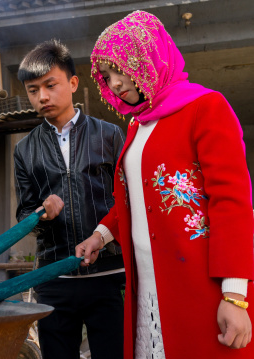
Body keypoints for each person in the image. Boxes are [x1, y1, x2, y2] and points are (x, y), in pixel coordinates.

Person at [76, 10, 254, 359]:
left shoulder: (205, 107)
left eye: (120, 67)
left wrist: (235, 295)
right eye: (107, 75)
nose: (113, 83)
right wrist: (101, 235)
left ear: (147, 55)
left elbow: (231, 202)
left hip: (201, 285)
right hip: (148, 287)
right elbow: (138, 199)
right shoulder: (136, 126)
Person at [14, 39, 126, 359]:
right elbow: (24, 214)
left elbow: (127, 200)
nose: (43, 96)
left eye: (51, 85)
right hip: (54, 276)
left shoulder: (109, 135)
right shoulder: (24, 150)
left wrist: (103, 238)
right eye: (33, 90)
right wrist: (40, 213)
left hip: (108, 274)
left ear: (73, 83)